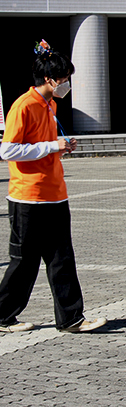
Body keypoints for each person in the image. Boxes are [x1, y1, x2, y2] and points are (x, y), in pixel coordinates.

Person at [0, 41, 106, 333]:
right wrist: (50, 146)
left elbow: (40, 147)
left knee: (62, 258)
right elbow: (8, 150)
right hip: (27, 196)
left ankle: (72, 318)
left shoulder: (50, 104)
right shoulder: (24, 105)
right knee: (24, 261)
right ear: (49, 79)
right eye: (63, 79)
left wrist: (59, 148)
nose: (66, 84)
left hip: (55, 194)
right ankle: (3, 315)